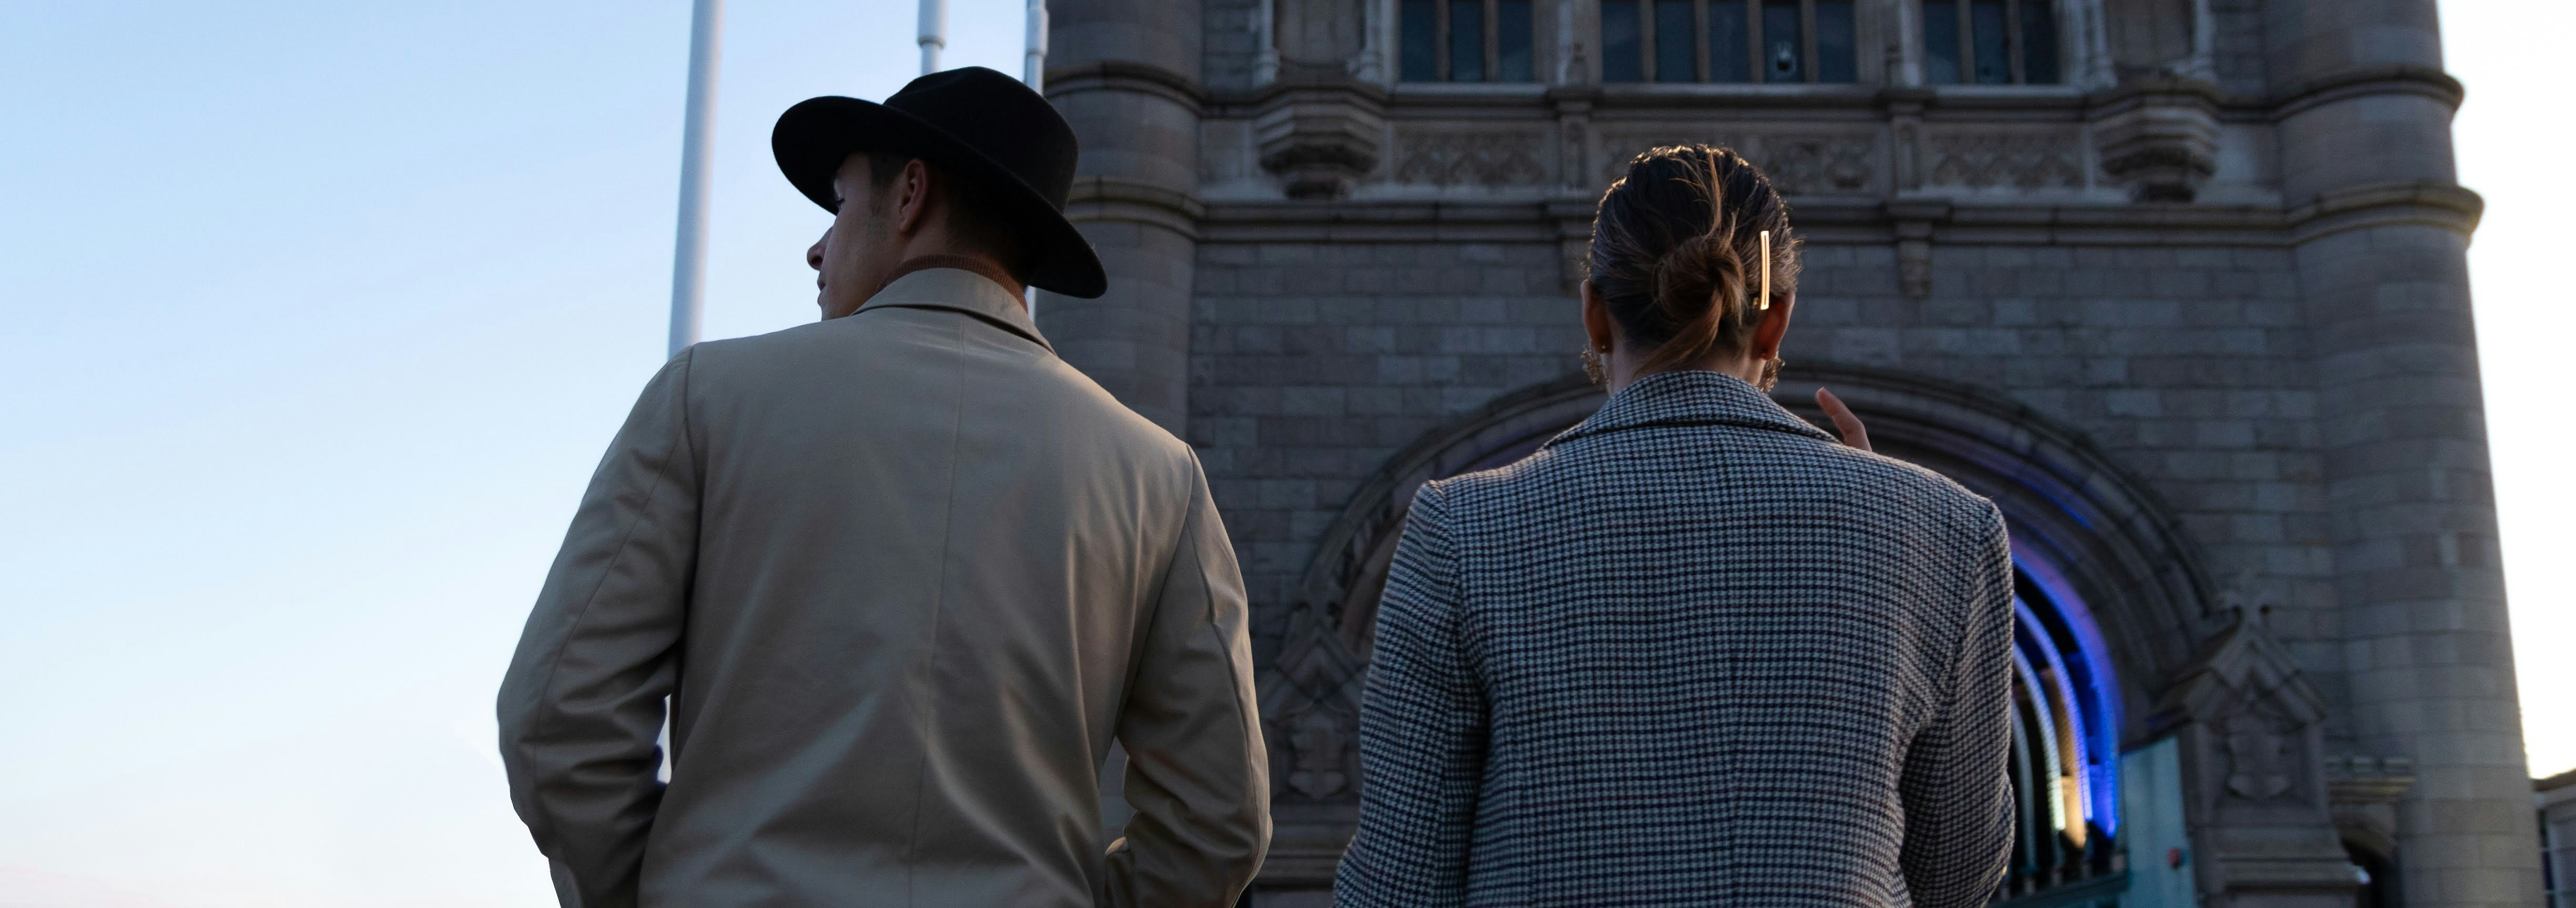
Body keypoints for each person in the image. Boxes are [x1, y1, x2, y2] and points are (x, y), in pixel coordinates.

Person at [498, 66, 1270, 907]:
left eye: (836, 202)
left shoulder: (707, 399)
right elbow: (1218, 820)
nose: (818, 246)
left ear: (908, 194)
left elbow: (557, 719)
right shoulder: (1158, 475)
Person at [1334, 143, 2017, 908]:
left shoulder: (1460, 530)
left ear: (1595, 314)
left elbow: (1398, 883)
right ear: (1775, 322)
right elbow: (1957, 875)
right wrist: (1889, 517)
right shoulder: (1952, 530)